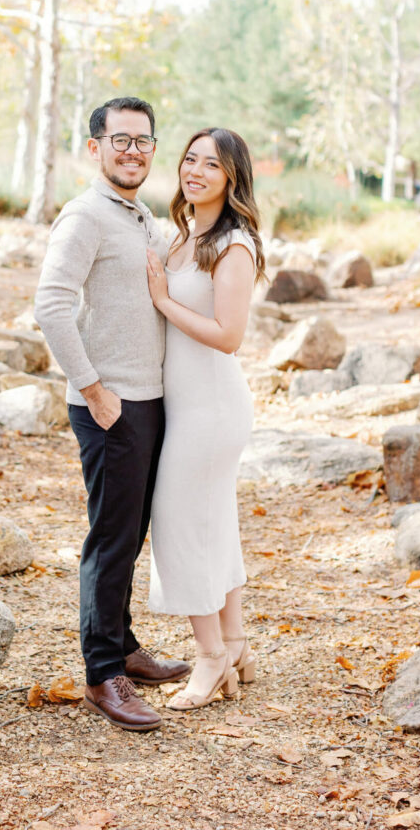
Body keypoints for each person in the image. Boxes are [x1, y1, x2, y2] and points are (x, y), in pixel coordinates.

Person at [34, 96, 191, 732]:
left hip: (148, 401)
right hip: (111, 405)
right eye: (120, 140)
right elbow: (50, 304)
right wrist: (92, 388)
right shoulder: (84, 217)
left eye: (143, 141)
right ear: (94, 148)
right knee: (110, 537)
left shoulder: (139, 214)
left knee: (131, 535)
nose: (133, 151)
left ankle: (123, 644)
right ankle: (103, 674)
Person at [145, 126, 266, 710]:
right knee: (215, 523)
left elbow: (229, 336)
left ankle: (210, 654)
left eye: (210, 165)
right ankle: (235, 643)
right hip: (185, 404)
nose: (194, 170)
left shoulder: (233, 244)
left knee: (178, 524)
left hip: (213, 408)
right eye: (189, 159)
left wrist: (165, 301)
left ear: (231, 177)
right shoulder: (186, 234)